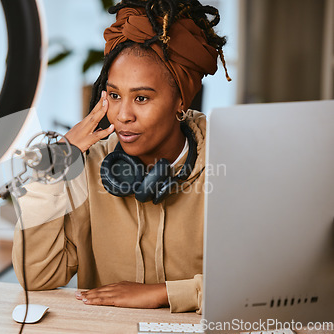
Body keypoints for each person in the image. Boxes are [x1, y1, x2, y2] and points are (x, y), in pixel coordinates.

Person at [12, 0, 230, 313]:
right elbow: (36, 276)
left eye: (141, 98)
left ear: (182, 99)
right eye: (114, 95)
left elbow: (264, 285)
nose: (123, 115)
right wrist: (54, 169)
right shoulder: (91, 164)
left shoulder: (229, 163)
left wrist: (162, 293)